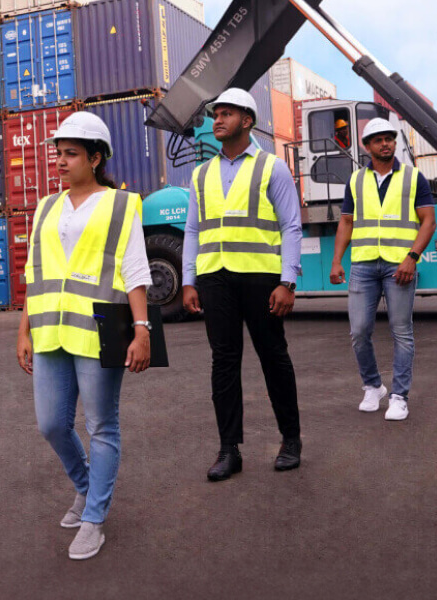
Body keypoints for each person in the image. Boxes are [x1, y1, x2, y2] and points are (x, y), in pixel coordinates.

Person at [16, 111, 153, 561]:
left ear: (95, 158)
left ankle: (94, 518)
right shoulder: (47, 206)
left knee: (101, 425)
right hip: (51, 328)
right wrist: (25, 329)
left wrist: (142, 329)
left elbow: (134, 269)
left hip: (102, 329)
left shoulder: (120, 204)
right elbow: (35, 271)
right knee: (51, 423)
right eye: (58, 153)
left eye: (70, 153)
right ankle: (86, 485)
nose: (59, 160)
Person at [180, 88, 305, 481]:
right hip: (215, 277)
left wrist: (288, 281)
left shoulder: (272, 168)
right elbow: (192, 231)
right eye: (216, 114)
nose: (217, 120)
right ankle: (229, 449)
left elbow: (291, 226)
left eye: (227, 114)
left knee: (273, 357)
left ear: (247, 121)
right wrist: (188, 281)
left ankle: (291, 439)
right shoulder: (200, 174)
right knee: (224, 362)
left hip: (261, 277)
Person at [329, 118, 436, 421]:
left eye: (389, 138)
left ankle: (399, 396)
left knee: (401, 332)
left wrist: (412, 257)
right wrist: (337, 260)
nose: (385, 143)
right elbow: (346, 223)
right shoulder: (355, 180)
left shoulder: (414, 178)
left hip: (399, 264)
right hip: (363, 264)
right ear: (367, 146)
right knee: (359, 331)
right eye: (378, 139)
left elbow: (428, 221)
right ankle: (373, 386)